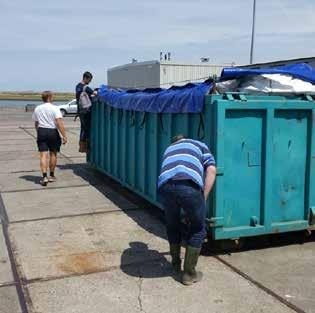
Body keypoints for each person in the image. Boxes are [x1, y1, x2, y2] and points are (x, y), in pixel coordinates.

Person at [157, 135, 216, 285]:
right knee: (198, 229)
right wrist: (202, 197)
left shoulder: (169, 149)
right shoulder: (199, 145)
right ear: (185, 139)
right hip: (188, 186)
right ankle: (189, 273)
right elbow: (211, 170)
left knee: (173, 225)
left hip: (165, 187)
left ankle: (175, 264)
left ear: (175, 141)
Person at [32, 91, 67, 186]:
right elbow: (59, 122)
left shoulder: (38, 108)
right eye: (52, 96)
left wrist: (39, 132)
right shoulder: (55, 108)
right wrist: (64, 135)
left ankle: (44, 177)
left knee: (43, 155)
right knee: (53, 154)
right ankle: (51, 175)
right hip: (52, 132)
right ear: (49, 97)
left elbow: (36, 123)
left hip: (41, 131)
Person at [75, 71, 97, 153]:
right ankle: (85, 147)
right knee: (87, 129)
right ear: (85, 78)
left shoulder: (78, 86)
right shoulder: (85, 87)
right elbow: (95, 93)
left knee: (83, 128)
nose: (89, 82)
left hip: (80, 110)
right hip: (86, 111)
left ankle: (81, 147)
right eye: (89, 80)